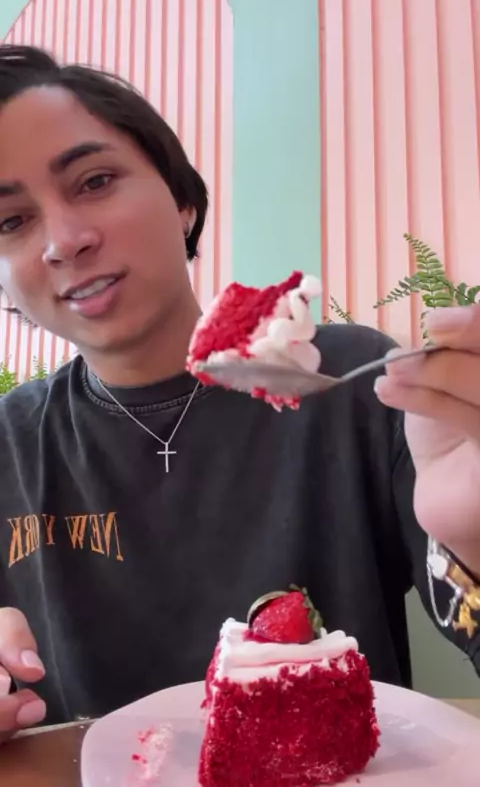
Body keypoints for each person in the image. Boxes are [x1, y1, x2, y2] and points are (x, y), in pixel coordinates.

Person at [0, 45, 478, 745]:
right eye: (10, 222)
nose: (64, 242)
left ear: (182, 199)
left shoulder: (360, 385)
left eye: (94, 181)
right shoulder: (10, 444)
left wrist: (472, 539)